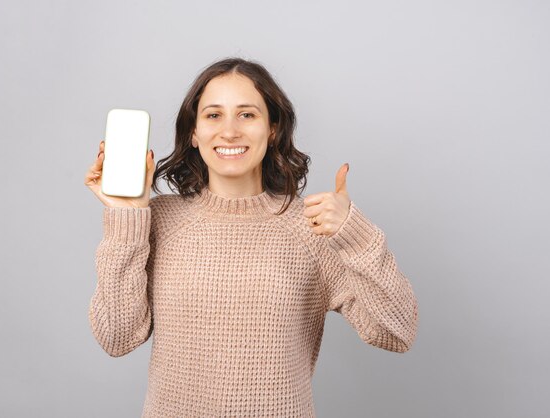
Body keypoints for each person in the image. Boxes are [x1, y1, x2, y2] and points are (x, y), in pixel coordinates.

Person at [83, 57, 419, 417]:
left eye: (247, 115)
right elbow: (117, 338)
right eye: (214, 115)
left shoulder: (312, 227)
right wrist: (126, 216)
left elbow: (397, 332)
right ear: (193, 132)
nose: (230, 131)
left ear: (272, 129)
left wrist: (354, 233)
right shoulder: (157, 220)